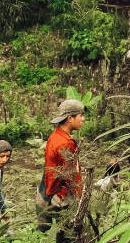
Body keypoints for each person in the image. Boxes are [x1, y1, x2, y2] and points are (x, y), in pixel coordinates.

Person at [37, 98, 85, 242]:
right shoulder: (65, 143)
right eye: (80, 115)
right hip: (62, 194)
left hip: (52, 190)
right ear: (70, 118)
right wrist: (80, 196)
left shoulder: (55, 135)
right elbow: (69, 175)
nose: (83, 118)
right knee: (68, 234)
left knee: (63, 231)